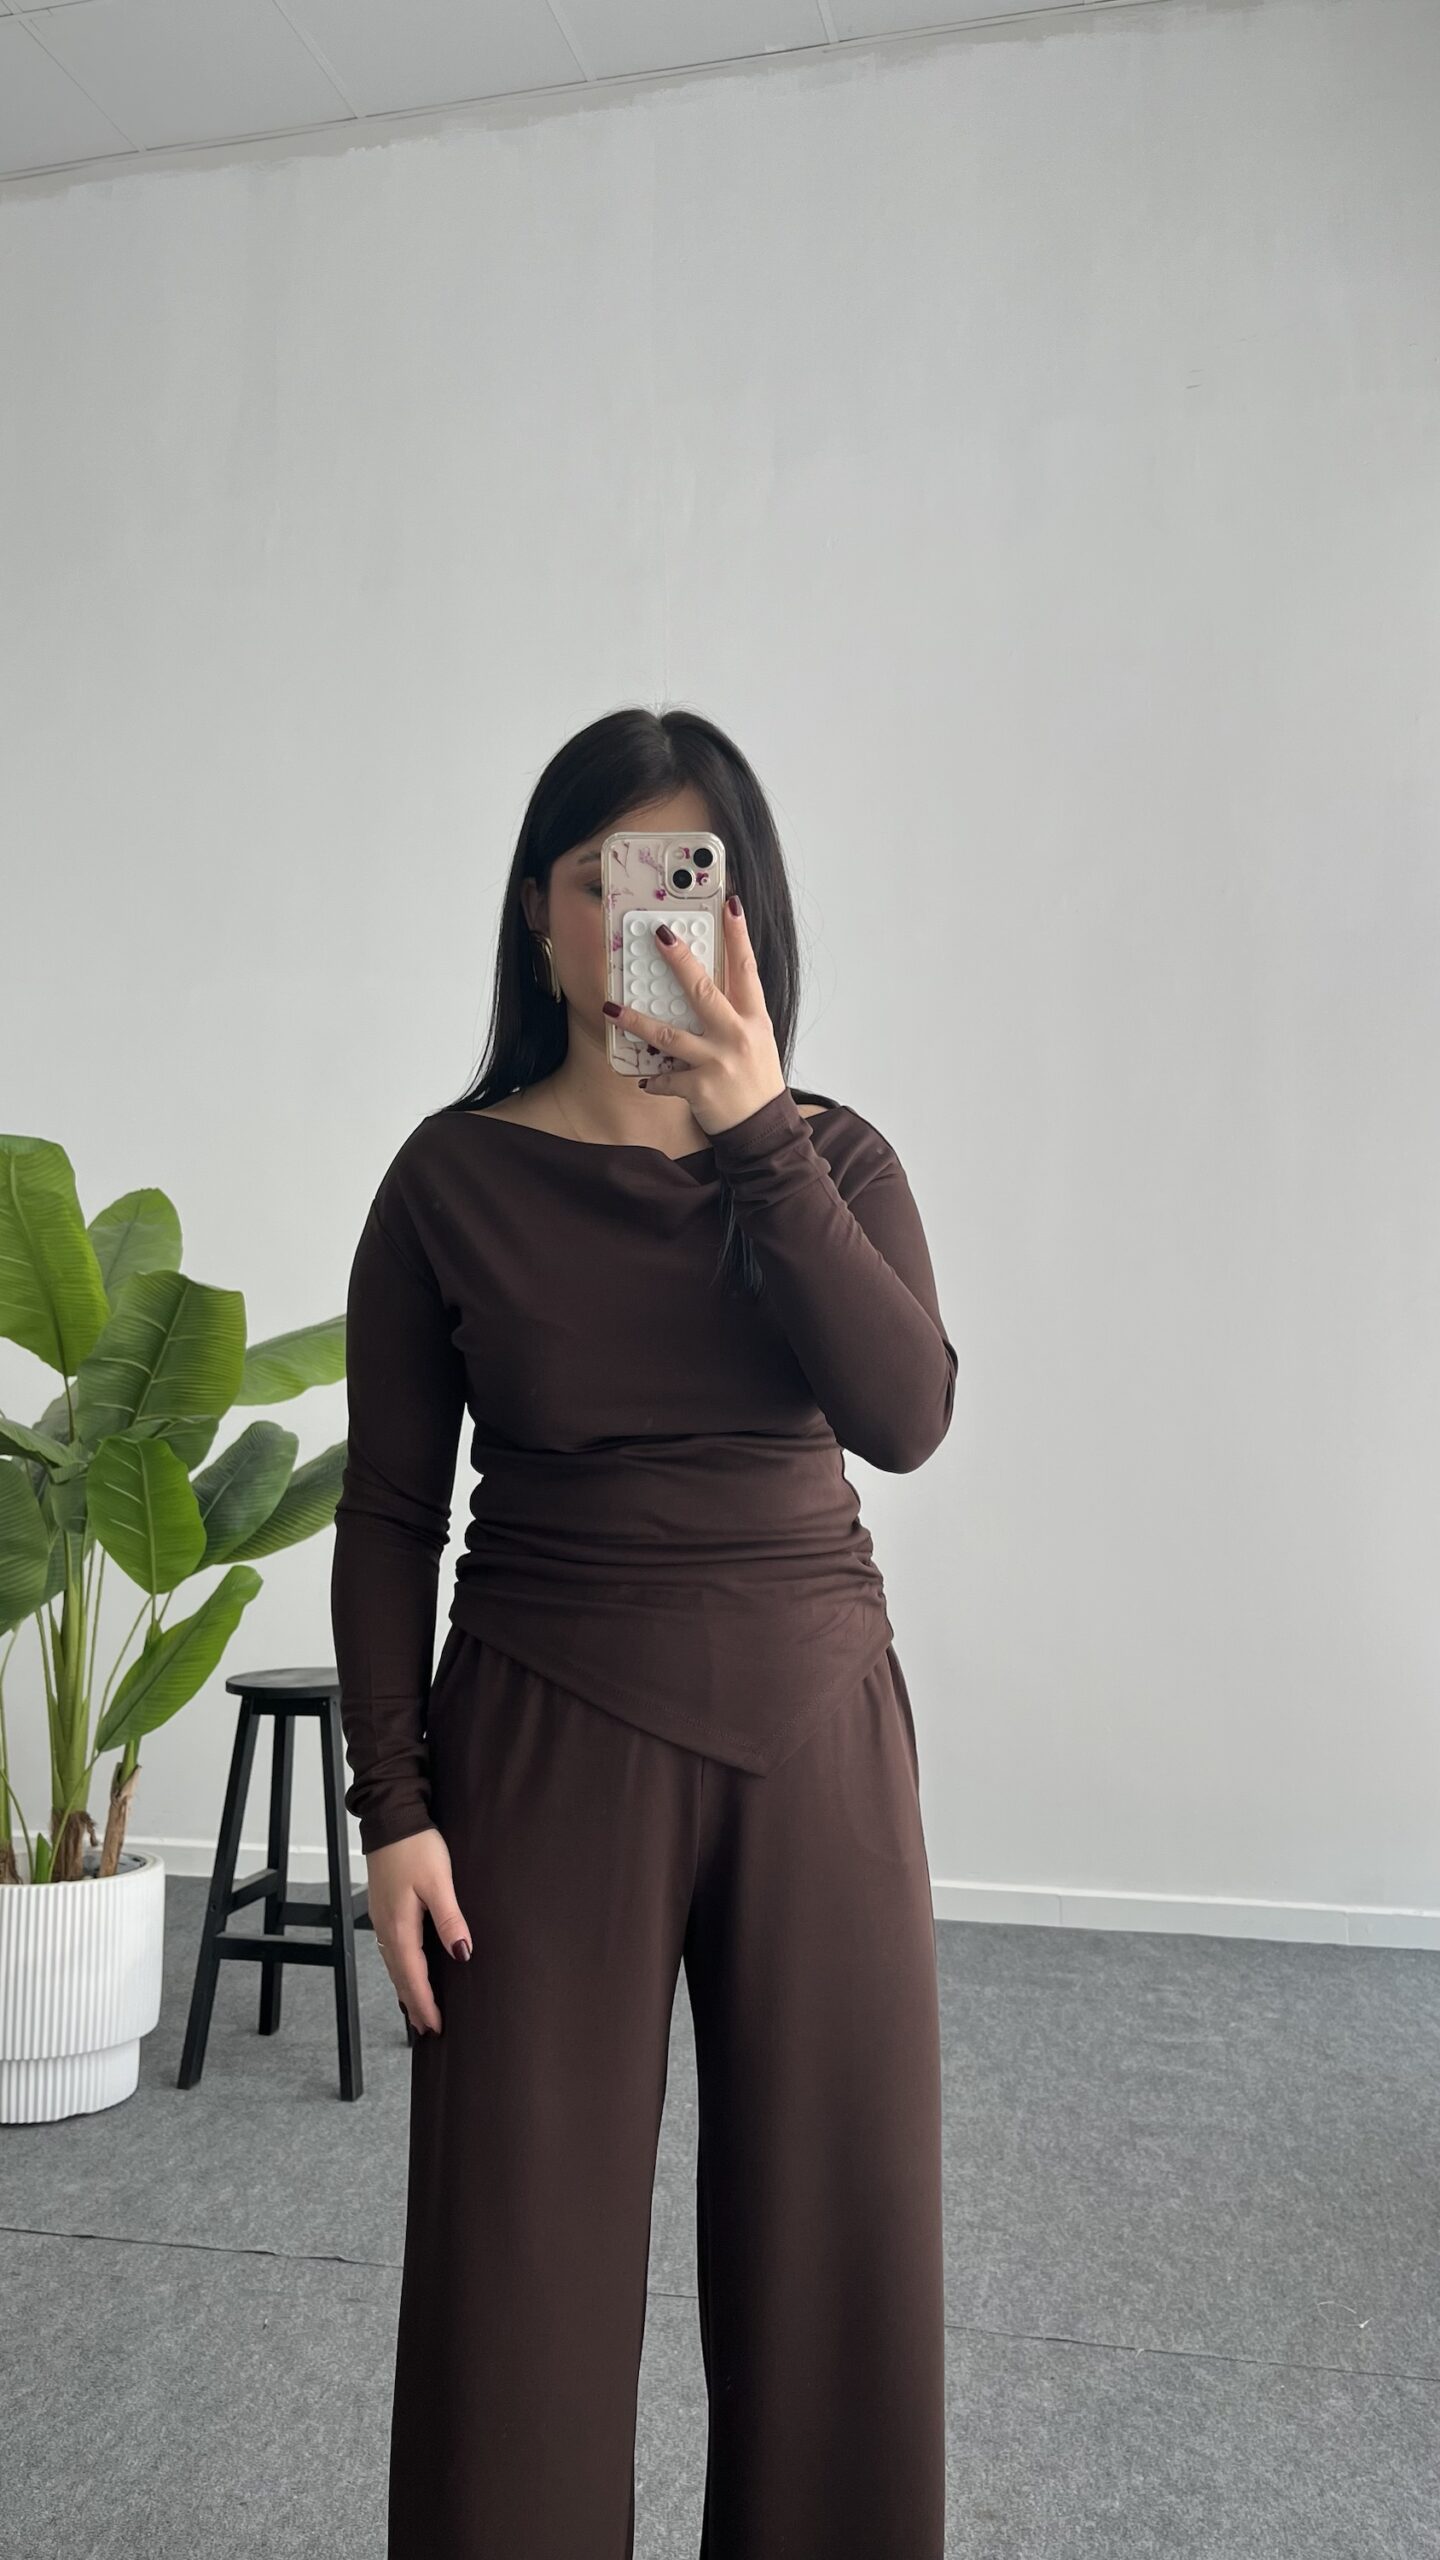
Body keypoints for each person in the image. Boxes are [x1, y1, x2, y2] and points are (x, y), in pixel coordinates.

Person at [331, 704, 959, 2560]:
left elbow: (906, 1416)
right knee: (515, 2280)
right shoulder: (446, 1182)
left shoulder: (834, 1159)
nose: (646, 922)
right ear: (541, 916)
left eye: (688, 881)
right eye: (609, 881)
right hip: (541, 1731)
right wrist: (393, 1809)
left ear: (746, 918)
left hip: (816, 1729)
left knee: (839, 2260)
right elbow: (389, 1517)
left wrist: (754, 1134)